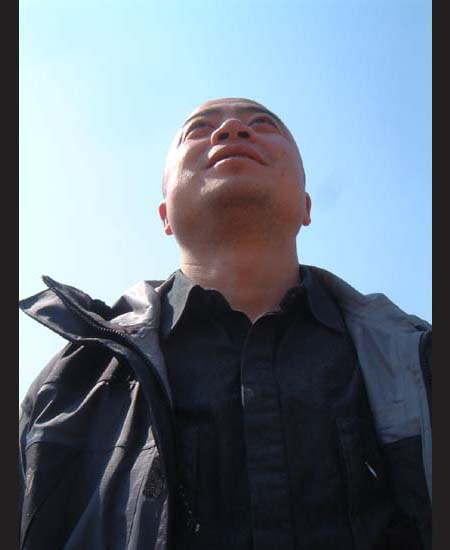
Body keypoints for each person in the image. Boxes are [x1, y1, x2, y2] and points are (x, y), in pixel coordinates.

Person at [19, 97, 431, 550]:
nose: (232, 130)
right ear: (165, 216)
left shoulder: (421, 363)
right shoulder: (68, 386)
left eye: (263, 124)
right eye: (198, 129)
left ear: (306, 206)